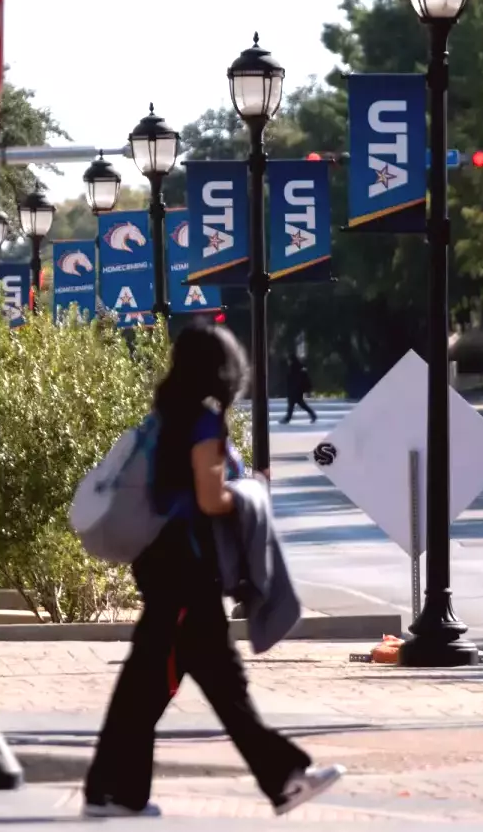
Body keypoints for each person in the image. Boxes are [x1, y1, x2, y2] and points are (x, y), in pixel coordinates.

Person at [83, 326, 342, 818]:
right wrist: (250, 493)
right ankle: (281, 779)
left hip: (164, 567)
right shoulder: (202, 423)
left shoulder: (165, 418)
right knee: (208, 686)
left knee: (160, 686)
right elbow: (210, 499)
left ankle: (112, 791)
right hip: (187, 573)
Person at [281, 354, 317, 425]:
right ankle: (312, 415)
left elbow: (294, 381)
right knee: (295, 405)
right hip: (297, 390)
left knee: (296, 405)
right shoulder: (298, 368)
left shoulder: (294, 369)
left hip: (295, 390)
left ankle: (287, 419)